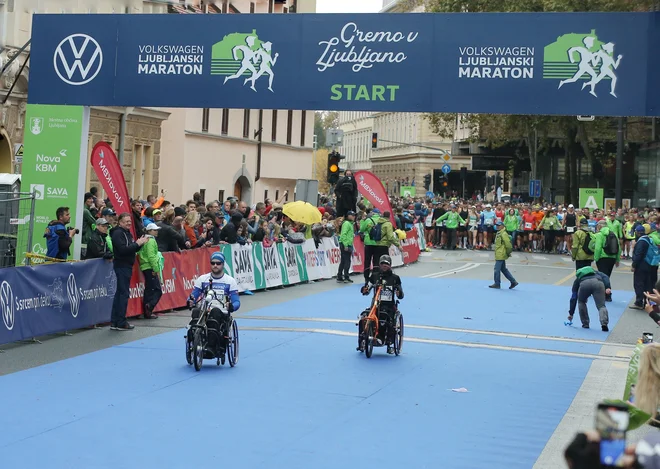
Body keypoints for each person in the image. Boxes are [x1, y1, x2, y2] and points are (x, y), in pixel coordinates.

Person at [187, 252, 241, 343]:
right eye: (213, 263)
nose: (215, 265)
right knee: (196, 310)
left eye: (218, 263)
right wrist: (190, 301)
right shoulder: (202, 279)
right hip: (204, 310)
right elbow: (194, 295)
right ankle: (193, 337)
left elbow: (237, 302)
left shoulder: (230, 281)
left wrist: (231, 306)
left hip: (221, 312)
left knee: (215, 312)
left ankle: (212, 344)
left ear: (223, 264)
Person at [110, 213, 148, 331]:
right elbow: (122, 250)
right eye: (126, 221)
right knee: (123, 294)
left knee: (120, 293)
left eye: (130, 221)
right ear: (120, 222)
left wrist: (140, 244)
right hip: (122, 265)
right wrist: (137, 244)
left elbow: (131, 248)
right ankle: (120, 321)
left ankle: (116, 321)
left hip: (127, 265)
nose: (128, 223)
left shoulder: (127, 233)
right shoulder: (118, 233)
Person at [359, 255, 403, 354]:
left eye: (386, 264)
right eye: (382, 264)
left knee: (384, 319)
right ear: (379, 264)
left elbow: (401, 294)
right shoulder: (374, 276)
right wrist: (364, 290)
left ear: (390, 265)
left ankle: (383, 340)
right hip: (376, 305)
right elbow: (367, 288)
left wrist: (399, 293)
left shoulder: (395, 278)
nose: (384, 266)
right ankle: (362, 341)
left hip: (389, 306)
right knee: (364, 317)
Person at [567, 266, 611, 331]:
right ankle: (604, 324)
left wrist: (571, 313)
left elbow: (574, 297)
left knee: (581, 302)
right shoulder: (596, 273)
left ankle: (585, 324)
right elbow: (605, 277)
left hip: (584, 284)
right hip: (598, 283)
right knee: (601, 306)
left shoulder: (578, 279)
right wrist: (608, 287)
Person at [138, 223, 163, 319]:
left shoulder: (145, 239)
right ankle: (149, 307)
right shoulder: (151, 241)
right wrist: (155, 269)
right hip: (149, 266)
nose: (156, 231)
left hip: (145, 266)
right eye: (154, 230)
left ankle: (147, 310)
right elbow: (151, 256)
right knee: (157, 290)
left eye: (156, 230)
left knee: (149, 289)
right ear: (149, 231)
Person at [631, 224, 660, 310]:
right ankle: (648, 302)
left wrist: (634, 265)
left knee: (639, 283)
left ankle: (639, 302)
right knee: (649, 284)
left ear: (637, 232)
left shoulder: (641, 241)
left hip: (642, 265)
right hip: (650, 264)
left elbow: (639, 254)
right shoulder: (649, 239)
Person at [594, 219, 620, 301]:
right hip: (612, 257)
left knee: (603, 276)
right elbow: (619, 248)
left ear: (599, 226)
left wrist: (596, 258)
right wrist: (617, 259)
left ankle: (607, 294)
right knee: (607, 276)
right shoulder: (613, 234)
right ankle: (606, 293)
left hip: (603, 257)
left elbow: (598, 248)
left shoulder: (600, 234)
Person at [490, 221, 518, 290]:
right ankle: (513, 281)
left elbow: (508, 245)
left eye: (499, 225)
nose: (497, 226)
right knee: (503, 269)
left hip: (501, 254)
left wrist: (508, 252)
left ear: (503, 226)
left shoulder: (503, 234)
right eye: (497, 225)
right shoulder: (499, 233)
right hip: (499, 253)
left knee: (497, 269)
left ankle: (497, 283)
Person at [337, 210, 355, 283]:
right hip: (346, 244)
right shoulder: (347, 224)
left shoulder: (349, 224)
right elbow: (343, 234)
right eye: (352, 215)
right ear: (349, 216)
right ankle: (346, 276)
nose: (354, 217)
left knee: (344, 261)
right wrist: (346, 245)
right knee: (347, 261)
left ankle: (340, 276)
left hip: (347, 243)